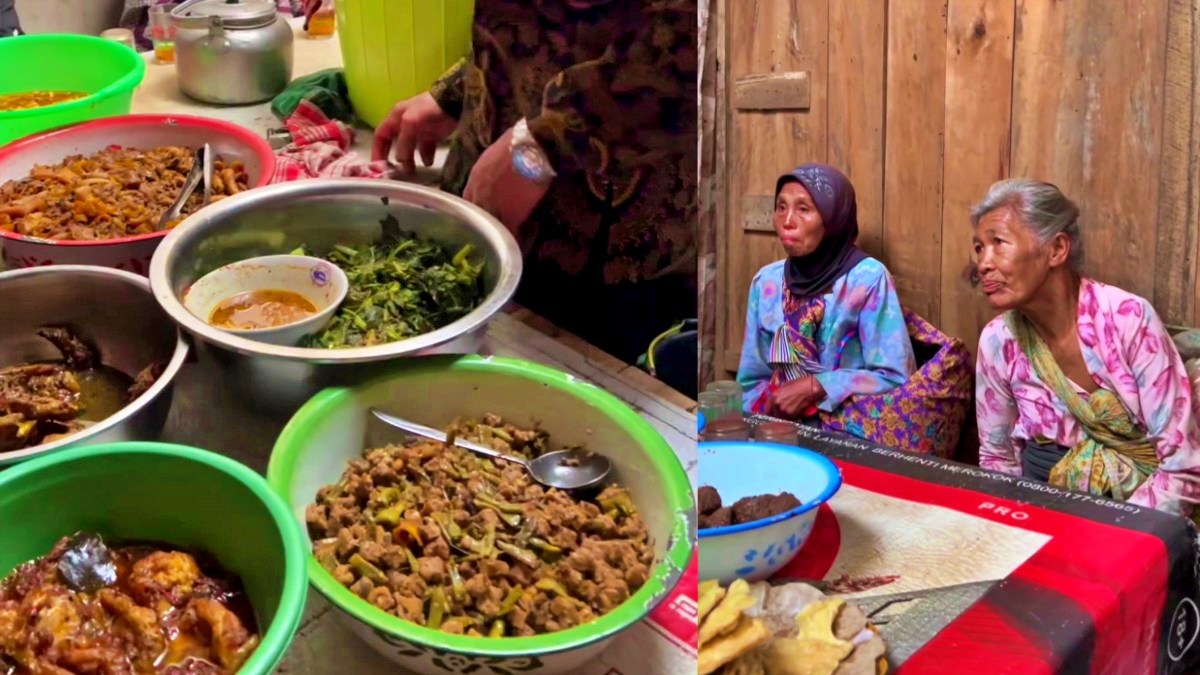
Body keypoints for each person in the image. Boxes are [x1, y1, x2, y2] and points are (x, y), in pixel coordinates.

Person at [350, 0, 697, 365]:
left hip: (609, 269)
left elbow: (692, 43)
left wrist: (547, 140)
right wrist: (459, 91)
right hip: (488, 211)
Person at [973, 178, 1200, 517]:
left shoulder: (1128, 319)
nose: (983, 263)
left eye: (998, 243)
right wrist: (1008, 525)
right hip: (1037, 505)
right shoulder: (998, 341)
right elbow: (998, 459)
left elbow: (1183, 464)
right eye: (979, 247)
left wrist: (1116, 537)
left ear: (1056, 249)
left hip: (1137, 513)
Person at [736, 164, 972, 455]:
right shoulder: (766, 283)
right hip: (778, 433)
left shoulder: (867, 279)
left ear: (834, 219)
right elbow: (749, 380)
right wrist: (771, 411)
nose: (787, 221)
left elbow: (894, 376)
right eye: (780, 207)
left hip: (849, 438)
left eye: (803, 209)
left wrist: (816, 386)